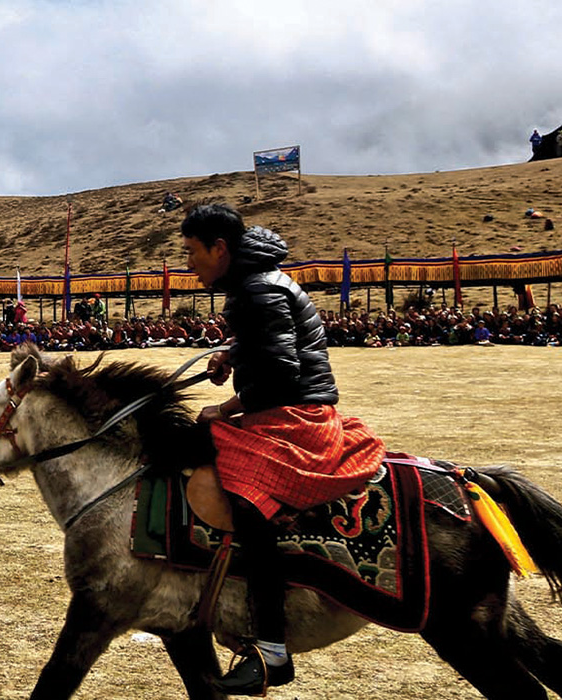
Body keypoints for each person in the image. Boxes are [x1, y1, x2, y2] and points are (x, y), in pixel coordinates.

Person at [176, 203, 385, 695]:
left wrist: (224, 410)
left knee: (249, 507)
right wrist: (234, 352)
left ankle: (272, 650)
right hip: (285, 412)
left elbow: (282, 375)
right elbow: (272, 346)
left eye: (191, 252)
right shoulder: (261, 282)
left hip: (294, 421)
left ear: (220, 249)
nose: (188, 263)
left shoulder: (256, 290)